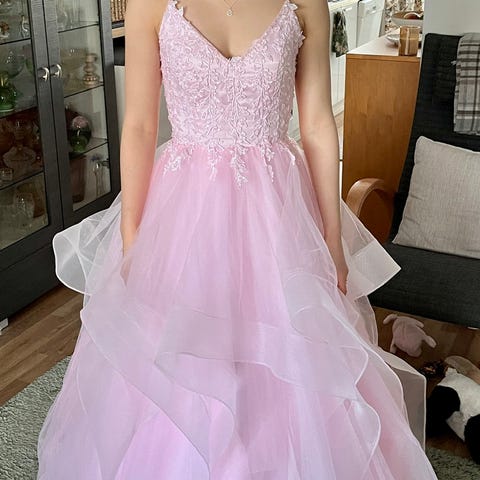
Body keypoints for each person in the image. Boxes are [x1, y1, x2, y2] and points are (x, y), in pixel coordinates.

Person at [37, 0, 439, 478]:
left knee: (288, 352)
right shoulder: (150, 4)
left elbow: (316, 125)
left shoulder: (305, 4)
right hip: (182, 214)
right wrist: (131, 236)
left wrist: (333, 238)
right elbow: (140, 126)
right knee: (179, 351)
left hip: (277, 213)